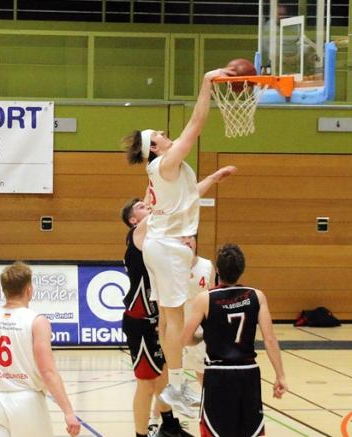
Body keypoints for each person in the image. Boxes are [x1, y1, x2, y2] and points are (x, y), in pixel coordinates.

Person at [124, 84, 237, 416]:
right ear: (155, 147)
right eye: (160, 134)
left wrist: (213, 177)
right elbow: (196, 125)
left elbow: (186, 200)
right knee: (173, 321)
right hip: (169, 249)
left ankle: (173, 385)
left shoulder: (162, 172)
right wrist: (205, 84)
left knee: (168, 321)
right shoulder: (166, 163)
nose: (166, 134)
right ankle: (174, 386)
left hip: (163, 247)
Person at [0, 262, 81, 437]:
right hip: (27, 401)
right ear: (29, 289)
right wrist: (68, 412)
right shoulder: (37, 321)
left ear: (4, 291)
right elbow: (48, 372)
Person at [182, 243, 287, 437]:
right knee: (250, 432)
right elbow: (270, 339)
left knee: (215, 431)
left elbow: (185, 338)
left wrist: (200, 338)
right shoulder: (257, 296)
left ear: (218, 270)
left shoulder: (205, 299)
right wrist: (280, 375)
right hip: (248, 373)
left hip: (218, 374)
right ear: (242, 269)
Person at [120, 199, 190, 437]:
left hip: (157, 318)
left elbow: (179, 202)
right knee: (146, 383)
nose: (147, 207)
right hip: (139, 320)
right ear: (132, 220)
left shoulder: (154, 238)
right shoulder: (136, 235)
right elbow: (169, 206)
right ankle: (141, 434)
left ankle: (169, 425)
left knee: (163, 376)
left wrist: (209, 181)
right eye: (141, 206)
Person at [182, 246, 214, 386]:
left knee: (203, 372)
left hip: (200, 328)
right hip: (176, 326)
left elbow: (212, 298)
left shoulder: (206, 265)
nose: (188, 241)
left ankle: (208, 404)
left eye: (191, 237)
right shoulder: (170, 266)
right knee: (172, 372)